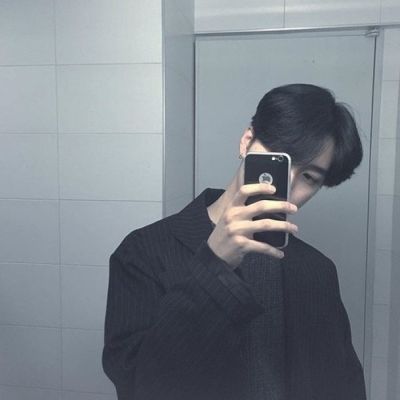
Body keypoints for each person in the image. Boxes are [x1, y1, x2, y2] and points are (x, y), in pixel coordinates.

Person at [102, 83, 367, 400]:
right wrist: (213, 264)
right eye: (280, 160)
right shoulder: (144, 251)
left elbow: (344, 384)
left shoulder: (317, 271)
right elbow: (136, 385)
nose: (288, 183)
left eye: (309, 177)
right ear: (246, 141)